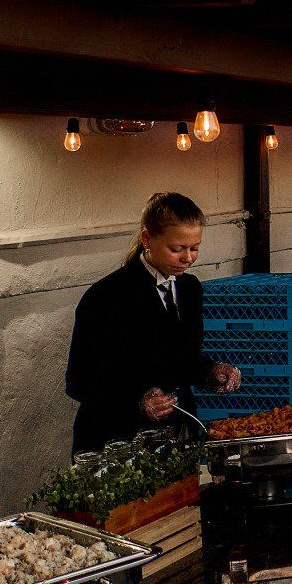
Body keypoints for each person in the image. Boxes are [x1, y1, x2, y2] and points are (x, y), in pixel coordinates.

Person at [66, 192, 242, 453]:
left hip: (174, 436)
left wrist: (211, 371)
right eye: (177, 249)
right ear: (147, 239)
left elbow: (181, 359)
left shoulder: (190, 288)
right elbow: (79, 381)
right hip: (116, 440)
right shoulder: (105, 297)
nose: (188, 258)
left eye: (194, 248)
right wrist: (139, 401)